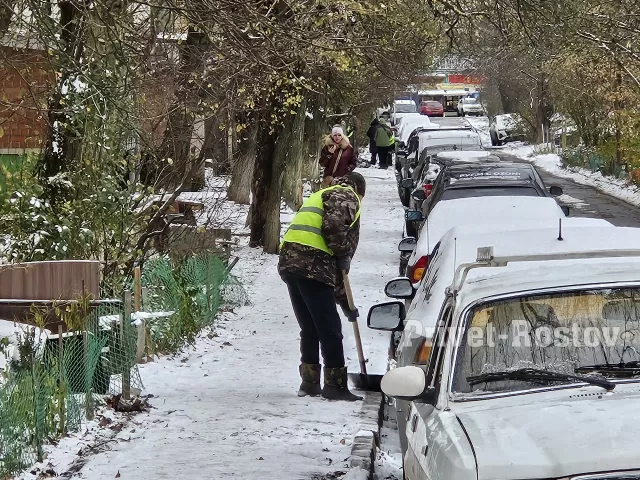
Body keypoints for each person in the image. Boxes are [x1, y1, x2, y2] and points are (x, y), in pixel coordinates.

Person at [278, 172, 367, 402]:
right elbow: (334, 228)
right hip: (312, 263)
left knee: (310, 326)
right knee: (329, 328)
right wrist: (344, 252)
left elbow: (338, 271)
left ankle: (309, 382)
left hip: (291, 262)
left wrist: (345, 303)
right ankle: (334, 385)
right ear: (360, 191)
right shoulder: (347, 195)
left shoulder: (322, 193)